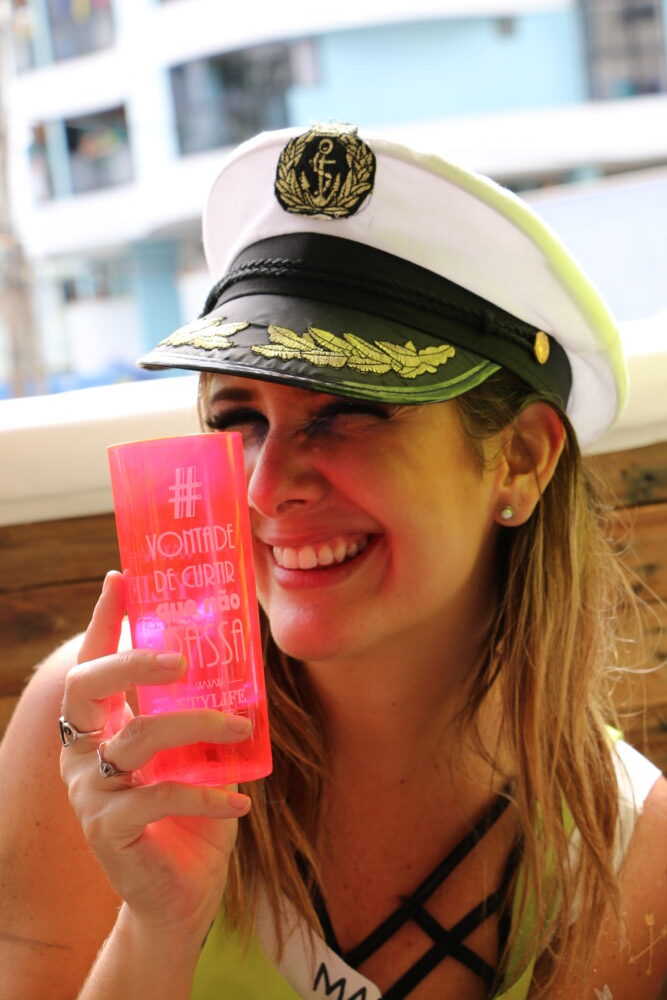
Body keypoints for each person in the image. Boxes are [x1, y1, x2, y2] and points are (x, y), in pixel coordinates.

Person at [1, 123, 665, 1000]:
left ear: (519, 458)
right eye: (239, 419)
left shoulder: (634, 847)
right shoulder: (96, 735)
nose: (267, 487)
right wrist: (157, 926)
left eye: (346, 410)